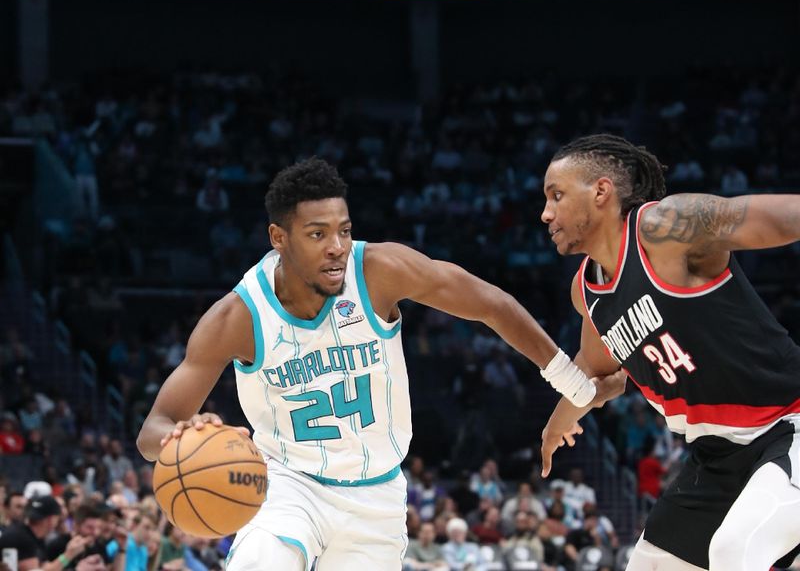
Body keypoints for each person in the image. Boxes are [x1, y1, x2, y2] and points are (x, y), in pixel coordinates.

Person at [137, 158, 623, 570]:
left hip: (378, 495)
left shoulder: (378, 271)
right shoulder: (237, 317)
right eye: (317, 234)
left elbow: (490, 304)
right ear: (278, 237)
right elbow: (153, 430)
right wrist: (183, 437)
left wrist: (573, 384)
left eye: (343, 231)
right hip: (287, 485)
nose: (336, 246)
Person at [538, 134, 800, 570]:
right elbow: (602, 374)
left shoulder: (665, 229)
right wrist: (558, 420)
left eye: (556, 195)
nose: (546, 213)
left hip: (789, 424)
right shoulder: (587, 291)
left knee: (737, 552)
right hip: (715, 454)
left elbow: (773, 218)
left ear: (600, 192)